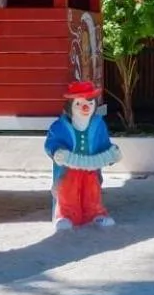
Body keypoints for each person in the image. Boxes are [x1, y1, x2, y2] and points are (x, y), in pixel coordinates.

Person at [44, 80, 121, 230]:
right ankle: (65, 214)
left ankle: (95, 213)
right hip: (68, 168)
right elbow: (51, 143)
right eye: (79, 103)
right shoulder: (59, 126)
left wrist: (112, 153)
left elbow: (104, 144)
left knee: (92, 189)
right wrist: (56, 151)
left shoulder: (98, 124)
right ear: (70, 106)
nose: (85, 107)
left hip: (91, 168)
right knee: (68, 189)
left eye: (90, 103)